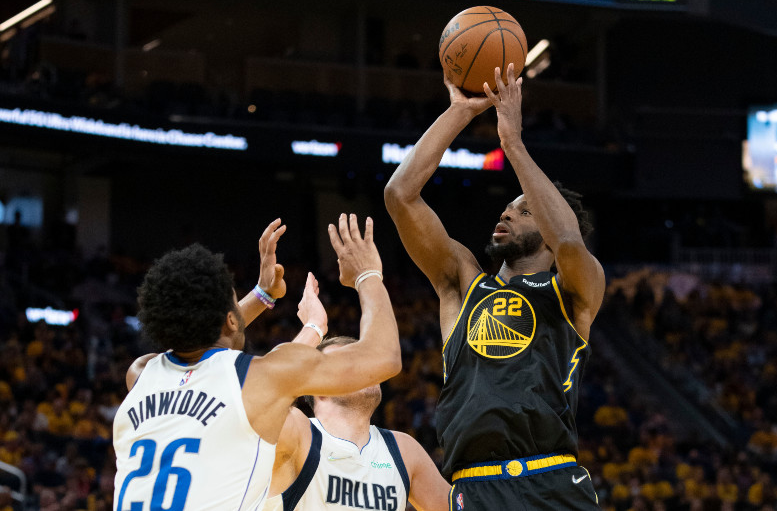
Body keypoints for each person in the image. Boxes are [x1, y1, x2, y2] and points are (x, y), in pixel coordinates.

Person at [384, 65, 605, 509]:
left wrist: (513, 144)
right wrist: (459, 112)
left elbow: (567, 240)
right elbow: (400, 194)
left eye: (523, 211)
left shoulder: (574, 291)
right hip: (473, 486)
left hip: (552, 480)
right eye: (506, 207)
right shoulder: (463, 282)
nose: (505, 214)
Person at [113, 214, 401, 511]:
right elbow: (384, 357)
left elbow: (195, 334)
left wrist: (264, 294)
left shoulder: (141, 373)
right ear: (230, 320)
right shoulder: (252, 380)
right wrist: (367, 274)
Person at [263, 281, 449, 511]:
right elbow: (258, 396)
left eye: (365, 361)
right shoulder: (298, 434)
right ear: (318, 388)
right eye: (348, 361)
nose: (365, 369)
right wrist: (315, 327)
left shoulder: (403, 449)